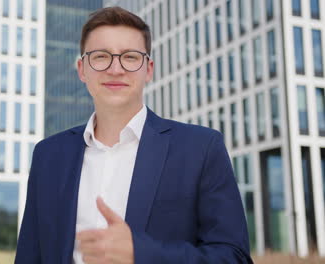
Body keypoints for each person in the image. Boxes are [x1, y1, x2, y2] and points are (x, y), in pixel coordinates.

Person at [15, 6, 253, 264]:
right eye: (101, 56)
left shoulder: (202, 148)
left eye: (130, 57)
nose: (115, 69)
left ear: (148, 69)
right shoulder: (48, 155)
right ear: (82, 69)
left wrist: (141, 254)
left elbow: (234, 257)